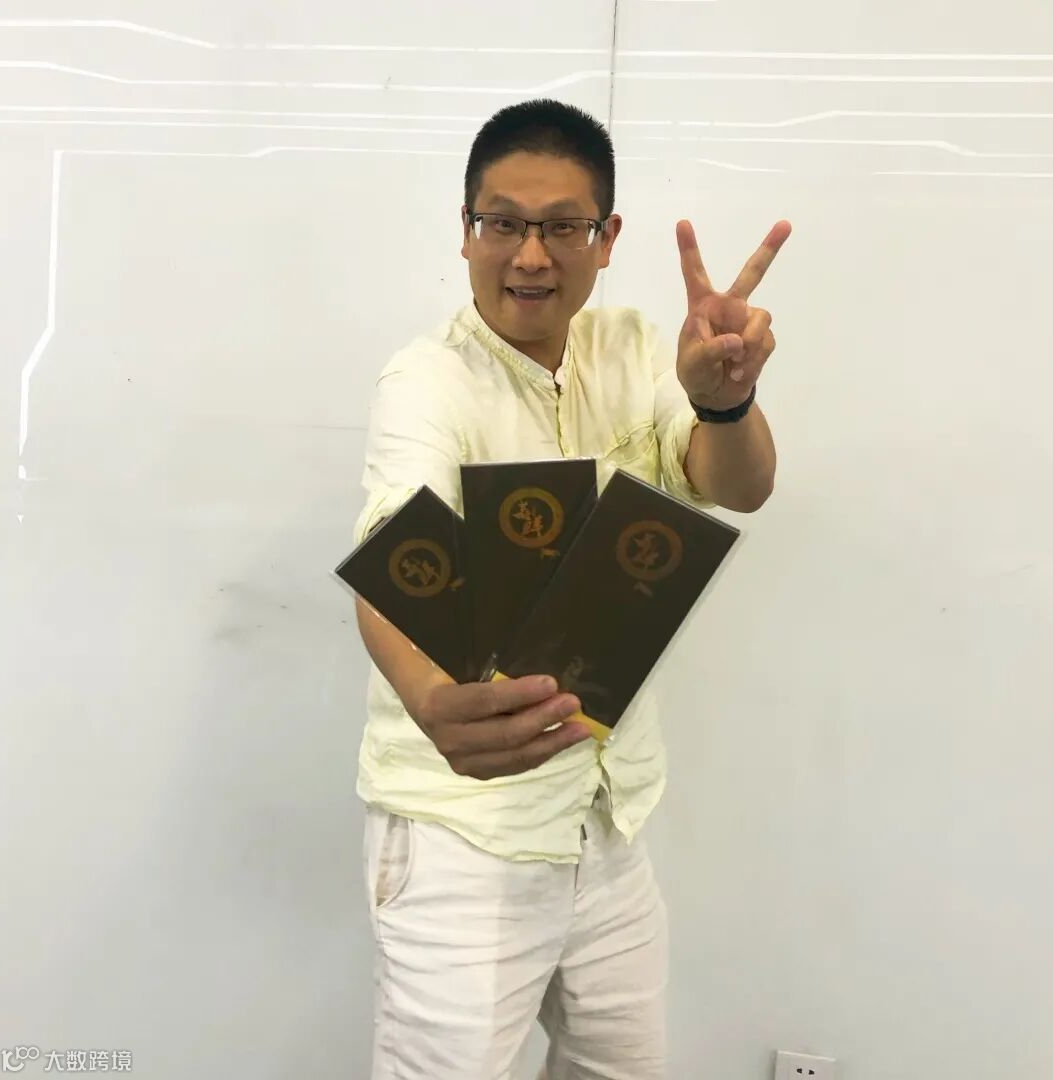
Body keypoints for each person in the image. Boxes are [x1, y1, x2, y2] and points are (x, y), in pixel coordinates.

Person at [352, 98, 790, 1079]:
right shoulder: (425, 382)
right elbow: (391, 557)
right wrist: (430, 698)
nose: (530, 255)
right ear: (466, 230)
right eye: (502, 222)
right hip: (465, 833)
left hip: (608, 818)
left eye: (562, 227)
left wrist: (727, 403)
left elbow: (738, 486)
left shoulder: (633, 347)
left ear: (607, 238)